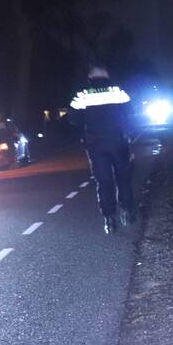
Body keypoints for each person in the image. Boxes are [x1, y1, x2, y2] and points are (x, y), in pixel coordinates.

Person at [69, 65, 135, 234]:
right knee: (123, 178)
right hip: (118, 142)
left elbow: (74, 120)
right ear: (107, 76)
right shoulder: (117, 92)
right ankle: (127, 212)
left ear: (90, 77)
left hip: (96, 145)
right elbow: (130, 112)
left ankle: (109, 219)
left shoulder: (82, 96)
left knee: (104, 182)